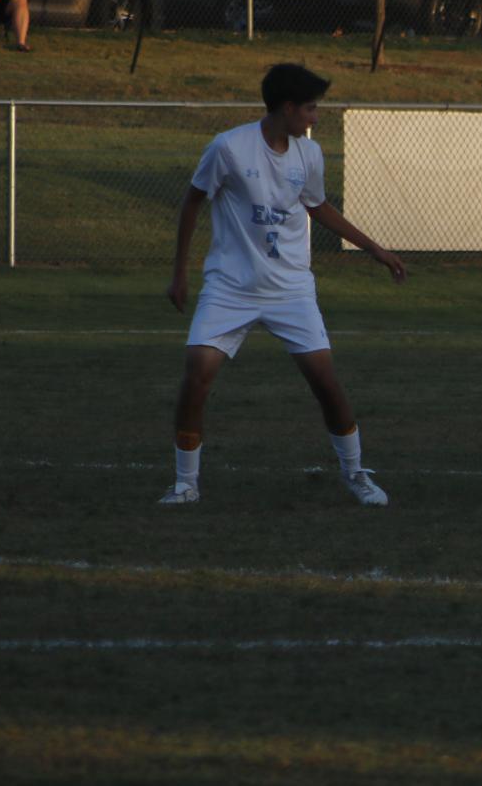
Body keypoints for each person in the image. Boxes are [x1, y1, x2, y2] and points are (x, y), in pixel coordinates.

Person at [161, 63, 408, 507]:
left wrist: (376, 249)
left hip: (291, 289)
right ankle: (185, 484)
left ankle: (356, 475)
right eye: (311, 108)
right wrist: (179, 272)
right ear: (288, 107)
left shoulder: (308, 155)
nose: (316, 117)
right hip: (230, 288)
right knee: (196, 376)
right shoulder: (229, 148)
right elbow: (193, 201)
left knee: (326, 382)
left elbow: (319, 207)